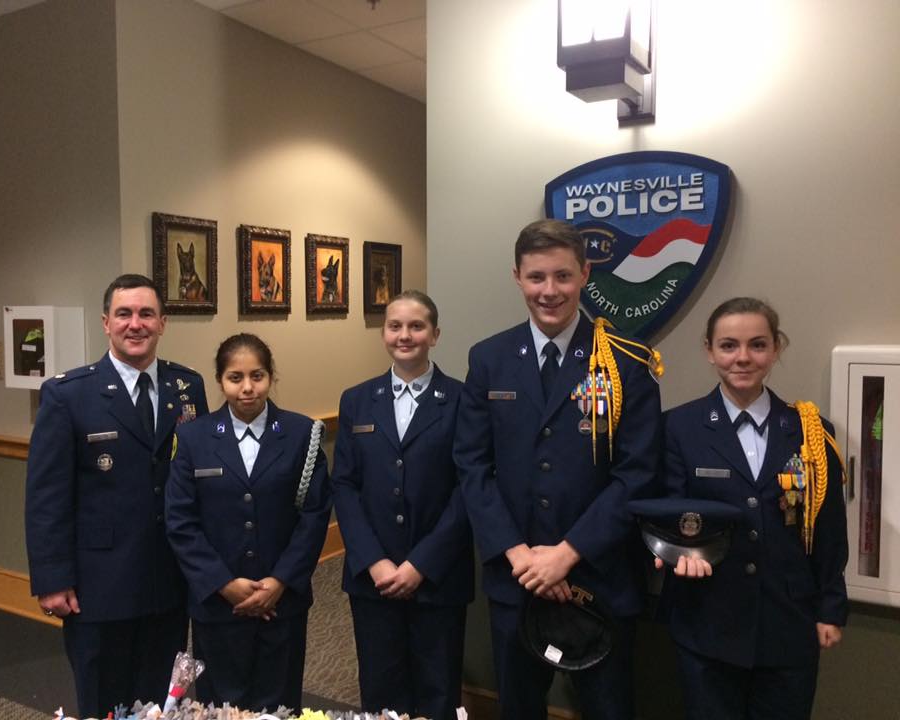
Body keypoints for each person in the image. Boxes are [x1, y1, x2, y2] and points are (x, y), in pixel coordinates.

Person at [454, 219, 662, 720]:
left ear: (585, 274)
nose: (549, 291)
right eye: (536, 277)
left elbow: (637, 474)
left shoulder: (626, 362)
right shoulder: (489, 358)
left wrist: (567, 554)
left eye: (563, 276)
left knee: (608, 708)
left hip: (598, 574)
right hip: (517, 575)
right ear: (517, 277)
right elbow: (472, 464)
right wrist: (520, 555)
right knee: (520, 707)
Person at [25, 274, 209, 718]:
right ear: (106, 322)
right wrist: (52, 578)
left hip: (168, 580)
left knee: (161, 702)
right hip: (99, 586)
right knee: (104, 701)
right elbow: (47, 496)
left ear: (162, 323)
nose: (135, 324)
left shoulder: (187, 387)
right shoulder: (69, 394)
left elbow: (200, 481)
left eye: (146, 314)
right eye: (124, 314)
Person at [660, 296, 847, 720]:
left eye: (757, 345)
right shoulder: (679, 426)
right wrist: (675, 553)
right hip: (707, 619)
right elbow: (669, 512)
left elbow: (829, 528)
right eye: (728, 345)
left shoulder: (810, 431)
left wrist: (831, 608)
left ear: (776, 348)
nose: (742, 357)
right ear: (709, 351)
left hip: (789, 622)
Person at [165, 333, 331, 712]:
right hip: (218, 603)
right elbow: (180, 520)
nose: (247, 388)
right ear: (220, 380)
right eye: (235, 377)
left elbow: (314, 515)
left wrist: (280, 581)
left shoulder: (302, 434)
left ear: (271, 376)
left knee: (278, 705)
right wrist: (223, 584)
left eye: (257, 376)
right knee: (222, 705)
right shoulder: (192, 438)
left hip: (282, 601)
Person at [332, 290, 474, 720]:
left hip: (438, 576)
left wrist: (421, 564)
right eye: (395, 326)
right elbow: (345, 485)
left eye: (417, 326)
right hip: (372, 579)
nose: (405, 335)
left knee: (438, 689)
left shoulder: (463, 400)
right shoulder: (356, 400)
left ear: (435, 334)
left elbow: (468, 489)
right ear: (384, 333)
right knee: (380, 688)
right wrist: (374, 561)